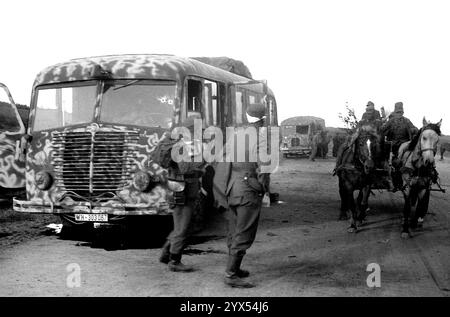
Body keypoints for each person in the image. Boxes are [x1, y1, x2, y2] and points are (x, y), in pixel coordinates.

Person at [213, 103, 270, 288]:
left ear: (246, 116)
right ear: (262, 119)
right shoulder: (261, 137)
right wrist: (264, 189)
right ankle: (231, 274)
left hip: (230, 187)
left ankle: (235, 270)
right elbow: (264, 168)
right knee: (244, 232)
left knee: (234, 229)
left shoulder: (236, 134)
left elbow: (220, 158)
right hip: (248, 189)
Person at [157, 116, 206, 272]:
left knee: (182, 225)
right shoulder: (182, 145)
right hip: (181, 191)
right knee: (182, 227)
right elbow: (185, 168)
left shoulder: (182, 142)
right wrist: (203, 162)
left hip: (181, 189)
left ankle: (166, 254)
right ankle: (174, 261)